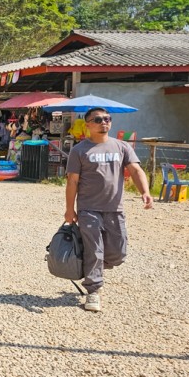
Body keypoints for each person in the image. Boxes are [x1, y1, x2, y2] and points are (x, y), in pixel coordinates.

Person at [64, 107, 153, 312]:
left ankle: (93, 267)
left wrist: (145, 191)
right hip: (89, 209)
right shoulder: (79, 150)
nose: (103, 122)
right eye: (97, 119)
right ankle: (93, 291)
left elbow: (136, 170)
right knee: (95, 250)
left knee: (118, 253)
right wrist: (70, 210)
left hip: (115, 209)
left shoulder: (121, 147)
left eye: (107, 119)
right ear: (87, 125)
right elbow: (72, 182)